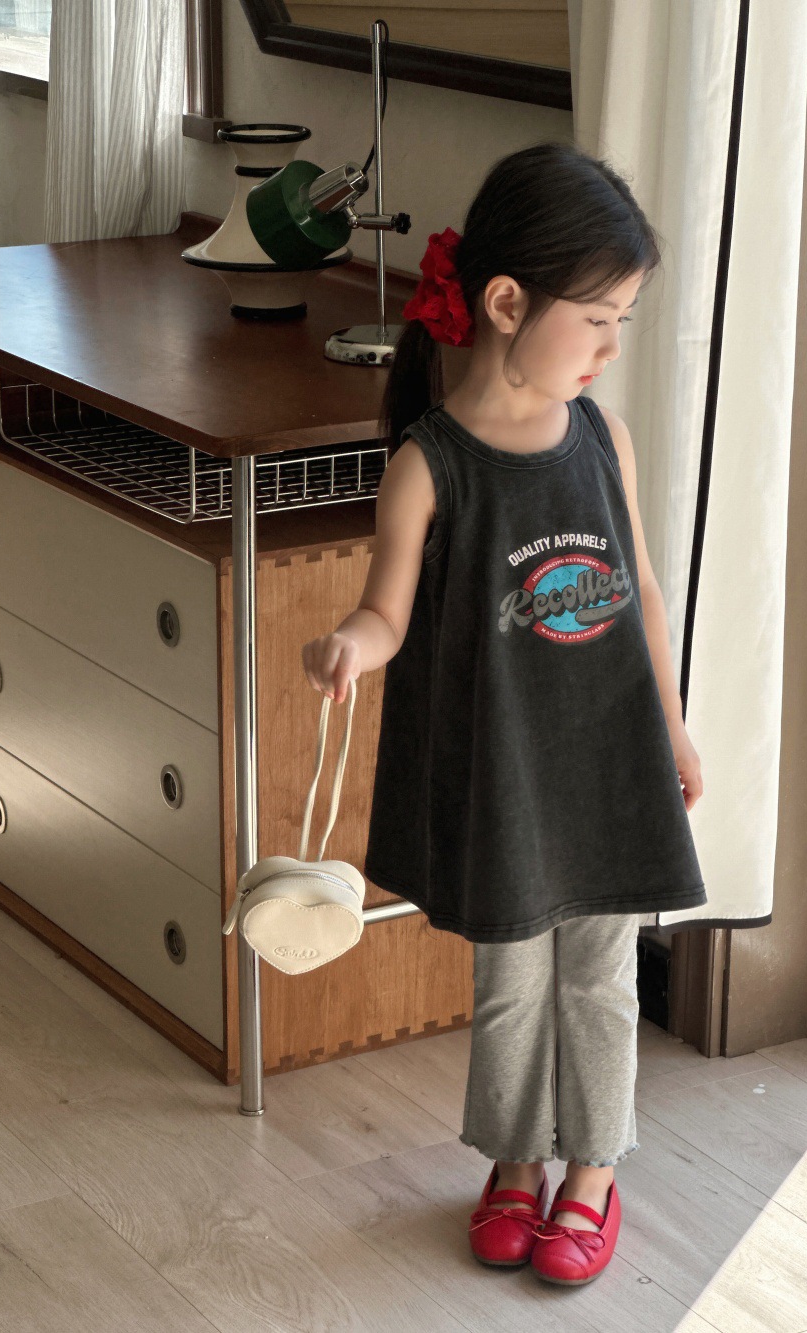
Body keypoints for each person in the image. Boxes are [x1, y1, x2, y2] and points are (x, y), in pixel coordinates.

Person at [300, 140, 707, 1287]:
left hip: (610, 766)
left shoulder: (603, 439)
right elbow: (385, 611)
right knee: (514, 986)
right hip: (506, 777)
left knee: (600, 982)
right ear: (507, 304)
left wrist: (673, 725)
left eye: (623, 322)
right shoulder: (430, 464)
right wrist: (348, 645)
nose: (611, 348)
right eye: (599, 320)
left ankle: (593, 1174)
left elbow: (642, 593)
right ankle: (517, 1162)